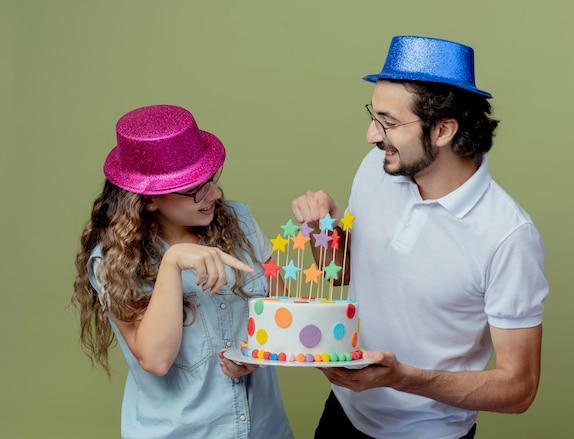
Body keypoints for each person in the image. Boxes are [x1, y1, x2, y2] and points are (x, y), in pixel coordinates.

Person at [291, 36, 549, 439]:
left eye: (389, 123)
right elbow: (343, 276)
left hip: (427, 432)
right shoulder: (377, 168)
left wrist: (403, 378)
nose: (372, 136)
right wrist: (321, 230)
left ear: (444, 129)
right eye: (374, 117)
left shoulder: (507, 237)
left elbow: (519, 389)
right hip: (343, 413)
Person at [72, 104, 293, 439]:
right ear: (147, 201)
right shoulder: (112, 260)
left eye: (212, 180)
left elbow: (284, 312)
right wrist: (172, 264)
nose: (214, 194)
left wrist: (258, 354)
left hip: (265, 429)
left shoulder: (240, 220)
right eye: (194, 189)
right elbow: (156, 361)